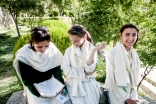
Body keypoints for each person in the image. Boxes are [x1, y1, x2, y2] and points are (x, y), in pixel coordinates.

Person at [13, 26, 67, 104]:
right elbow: (26, 80)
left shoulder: (52, 49)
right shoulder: (24, 55)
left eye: (46, 46)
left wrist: (61, 86)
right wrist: (38, 94)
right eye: (39, 47)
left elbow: (57, 71)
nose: (43, 49)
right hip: (35, 87)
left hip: (51, 83)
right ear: (32, 42)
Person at [63, 24, 106, 104]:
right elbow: (66, 70)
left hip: (89, 84)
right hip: (73, 85)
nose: (74, 43)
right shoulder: (68, 51)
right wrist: (83, 72)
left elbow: (89, 69)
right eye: (71, 41)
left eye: (76, 41)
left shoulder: (92, 49)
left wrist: (93, 51)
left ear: (84, 37)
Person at [103, 24, 141, 104]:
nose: (131, 38)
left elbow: (134, 79)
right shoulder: (113, 53)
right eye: (127, 34)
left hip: (131, 91)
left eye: (134, 35)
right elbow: (111, 79)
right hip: (115, 92)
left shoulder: (134, 54)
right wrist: (126, 98)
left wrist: (133, 95)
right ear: (121, 36)